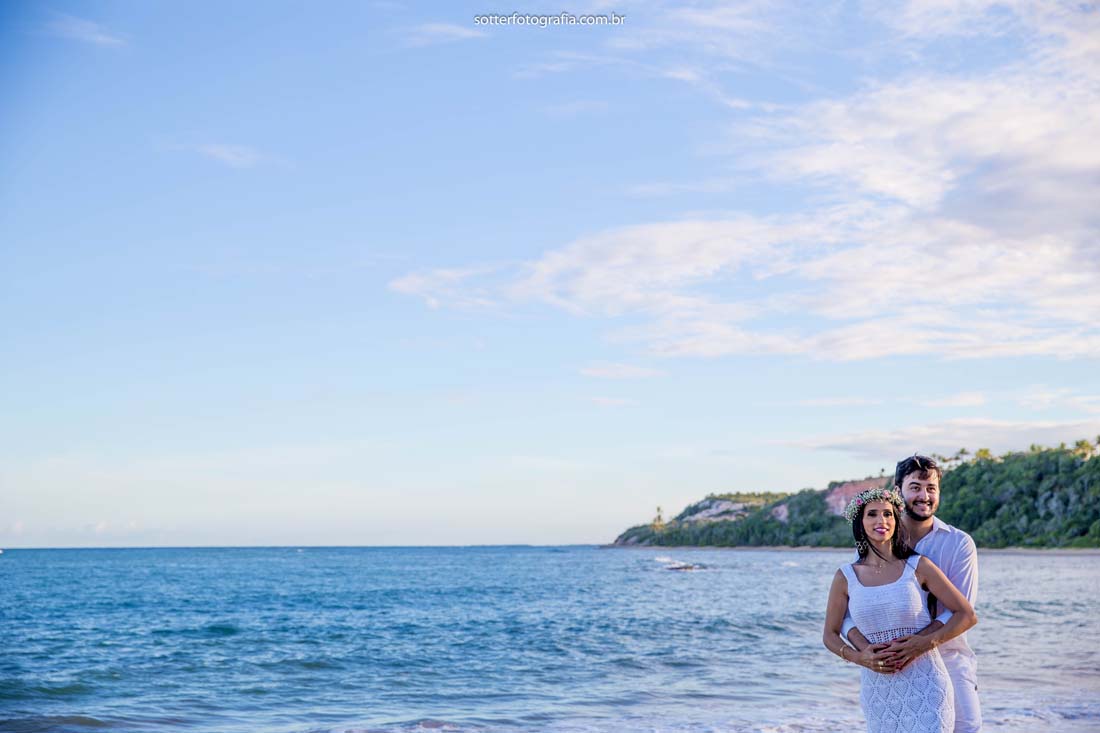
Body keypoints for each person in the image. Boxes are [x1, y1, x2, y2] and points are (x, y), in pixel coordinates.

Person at [844, 455, 983, 732]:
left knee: (966, 727)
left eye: (931, 488)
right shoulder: (876, 540)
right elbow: (850, 613)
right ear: (898, 491)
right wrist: (867, 652)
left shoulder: (958, 543)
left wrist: (918, 644)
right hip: (891, 667)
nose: (924, 495)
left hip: (948, 657)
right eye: (916, 487)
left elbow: (960, 611)